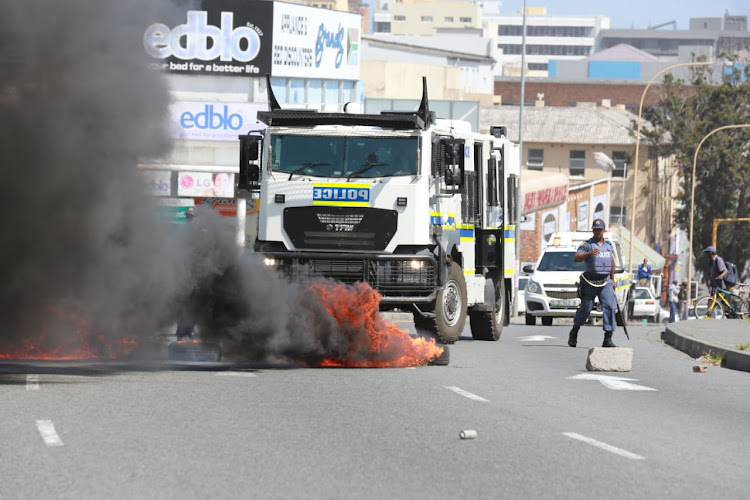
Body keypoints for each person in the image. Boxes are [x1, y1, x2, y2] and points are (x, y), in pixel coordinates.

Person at [568, 218, 619, 348]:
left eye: (599, 230)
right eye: (595, 230)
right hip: (589, 282)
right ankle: (575, 331)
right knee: (586, 309)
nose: (597, 232)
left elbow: (611, 263)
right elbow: (576, 257)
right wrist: (589, 253)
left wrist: (612, 279)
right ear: (593, 230)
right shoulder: (587, 244)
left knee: (610, 307)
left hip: (605, 282)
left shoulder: (608, 246)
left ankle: (608, 338)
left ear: (604, 230)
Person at [175, 207, 198, 341]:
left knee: (194, 305)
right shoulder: (181, 233)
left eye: (192, 217)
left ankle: (189, 331)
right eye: (188, 217)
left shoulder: (203, 234)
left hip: (197, 275)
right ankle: (182, 332)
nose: (189, 220)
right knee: (182, 304)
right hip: (183, 275)